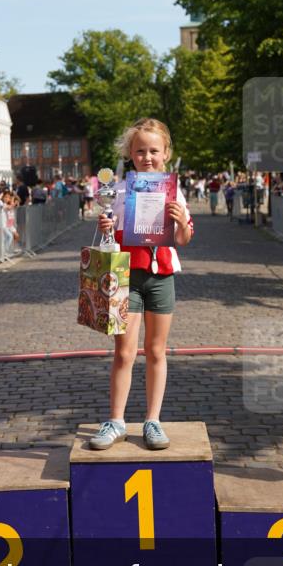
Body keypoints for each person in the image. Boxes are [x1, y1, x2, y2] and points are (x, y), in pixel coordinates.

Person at [90, 118, 193, 453]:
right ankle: (117, 421)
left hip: (161, 274)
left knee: (157, 351)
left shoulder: (174, 190)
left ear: (166, 153)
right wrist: (106, 224)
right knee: (123, 352)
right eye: (140, 151)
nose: (147, 157)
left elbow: (183, 239)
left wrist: (181, 223)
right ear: (129, 155)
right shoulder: (119, 191)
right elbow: (111, 235)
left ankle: (153, 419)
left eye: (154, 151)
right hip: (125, 276)